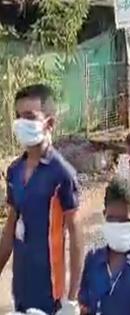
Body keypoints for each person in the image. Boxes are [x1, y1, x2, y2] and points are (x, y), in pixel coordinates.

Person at [0, 84, 83, 314]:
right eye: (18, 116)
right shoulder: (14, 171)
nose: (21, 123)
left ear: (50, 123)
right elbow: (10, 228)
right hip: (22, 286)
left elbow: (76, 236)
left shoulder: (62, 174)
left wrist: (72, 298)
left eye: (29, 117)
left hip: (50, 292)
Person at [78, 178, 130, 315]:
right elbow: (84, 308)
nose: (117, 225)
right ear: (104, 215)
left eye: (125, 221)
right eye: (111, 219)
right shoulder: (93, 260)